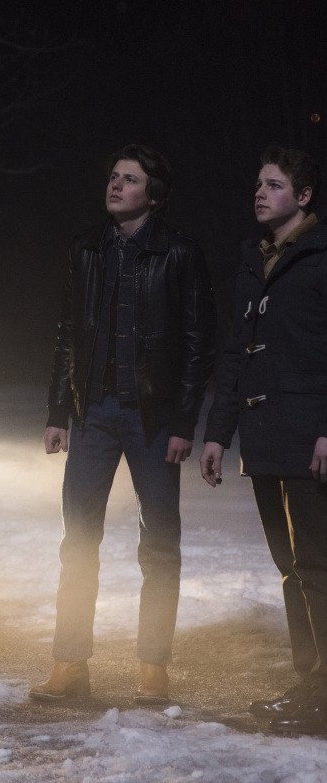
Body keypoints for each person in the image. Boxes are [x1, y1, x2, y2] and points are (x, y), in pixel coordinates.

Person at [32, 144, 216, 704]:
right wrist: (58, 411)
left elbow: (198, 342)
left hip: (153, 418)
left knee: (159, 543)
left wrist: (184, 421)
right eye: (113, 176)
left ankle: (152, 669)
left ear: (153, 195)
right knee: (77, 540)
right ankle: (69, 665)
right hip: (92, 413)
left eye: (129, 179)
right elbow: (68, 332)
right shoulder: (86, 248)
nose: (115, 185)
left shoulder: (178, 252)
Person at [201, 146, 327, 735]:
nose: (260, 192)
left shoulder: (320, 256)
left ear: (303, 196)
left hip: (309, 437)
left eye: (274, 185)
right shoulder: (255, 259)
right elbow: (237, 352)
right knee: (290, 566)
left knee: (318, 567)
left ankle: (323, 696)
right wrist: (217, 433)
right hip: (264, 436)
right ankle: (310, 686)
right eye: (258, 183)